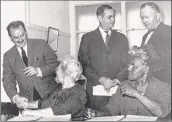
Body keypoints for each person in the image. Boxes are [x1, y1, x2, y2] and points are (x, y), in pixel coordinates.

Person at [92, 44, 171, 119]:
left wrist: (136, 93)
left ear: (146, 69)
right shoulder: (124, 85)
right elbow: (110, 110)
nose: (129, 69)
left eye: (134, 66)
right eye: (129, 65)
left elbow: (161, 112)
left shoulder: (163, 88)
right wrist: (96, 113)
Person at [78, 4, 129, 110]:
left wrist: (116, 80)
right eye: (109, 17)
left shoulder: (122, 38)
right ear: (100, 18)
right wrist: (100, 79)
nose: (113, 20)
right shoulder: (87, 38)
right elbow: (83, 65)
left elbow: (126, 64)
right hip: (95, 94)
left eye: (114, 16)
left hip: (117, 91)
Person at [2, 20, 59, 110]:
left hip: (50, 96)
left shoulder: (41, 44)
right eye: (16, 37)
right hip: (28, 102)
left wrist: (39, 70)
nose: (20, 40)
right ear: (10, 38)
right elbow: (7, 81)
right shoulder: (8, 56)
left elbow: (56, 64)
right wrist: (16, 97)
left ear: (26, 32)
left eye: (22, 35)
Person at [21, 56, 87, 120]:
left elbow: (61, 110)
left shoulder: (79, 92)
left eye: (58, 69)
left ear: (65, 73)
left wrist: (32, 113)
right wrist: (26, 105)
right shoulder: (60, 88)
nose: (56, 72)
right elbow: (44, 103)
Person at [140, 2, 171, 84]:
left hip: (164, 84)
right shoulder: (145, 36)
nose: (144, 21)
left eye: (147, 17)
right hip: (149, 84)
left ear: (158, 16)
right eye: (142, 18)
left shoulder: (169, 31)